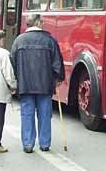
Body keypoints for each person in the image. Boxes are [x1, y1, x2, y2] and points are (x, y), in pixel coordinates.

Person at [10, 14, 65, 153]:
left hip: (25, 85)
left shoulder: (19, 41)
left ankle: (28, 144)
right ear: (39, 23)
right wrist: (58, 78)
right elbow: (57, 62)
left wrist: (15, 80)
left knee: (27, 113)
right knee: (45, 113)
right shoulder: (49, 40)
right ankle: (44, 143)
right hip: (45, 84)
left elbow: (13, 63)